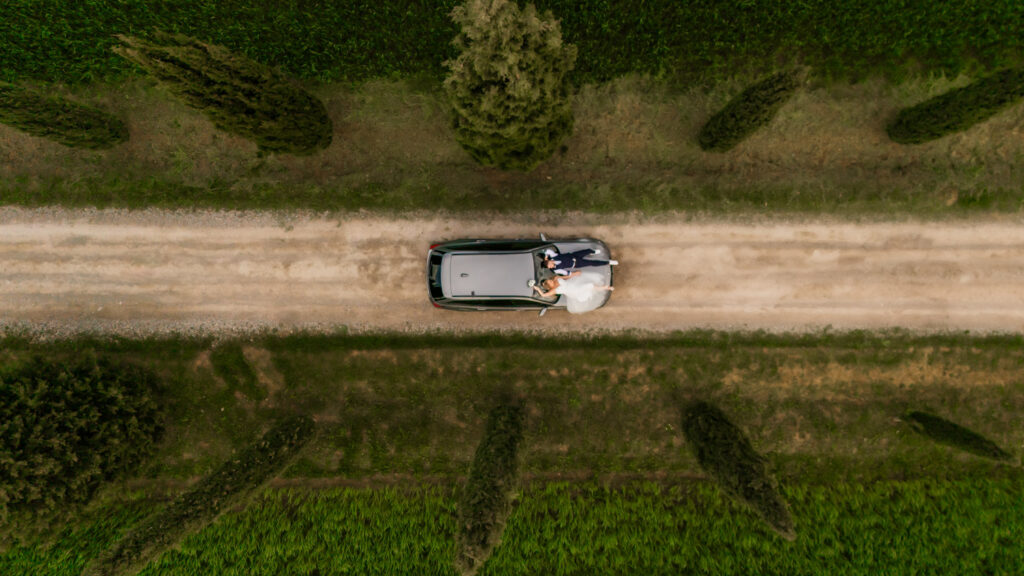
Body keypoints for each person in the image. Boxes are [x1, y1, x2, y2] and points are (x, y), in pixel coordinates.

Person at [532, 270, 614, 314]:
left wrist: (574, 274)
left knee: (589, 285)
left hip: (574, 284)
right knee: (589, 287)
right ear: (548, 286)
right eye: (548, 282)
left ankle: (605, 287)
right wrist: (537, 289)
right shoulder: (553, 290)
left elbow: (566, 277)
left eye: (548, 280)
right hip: (573, 291)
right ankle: (606, 288)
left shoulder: (556, 278)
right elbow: (544, 295)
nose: (549, 281)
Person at [542, 248, 617, 276]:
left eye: (550, 265)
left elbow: (547, 250)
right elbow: (565, 273)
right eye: (550, 267)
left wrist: (545, 257)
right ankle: (608, 262)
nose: (551, 267)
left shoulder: (553, 256)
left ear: (550, 261)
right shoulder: (556, 269)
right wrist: (573, 273)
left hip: (574, 255)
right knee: (592, 263)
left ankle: (593, 251)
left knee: (587, 250)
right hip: (577, 264)